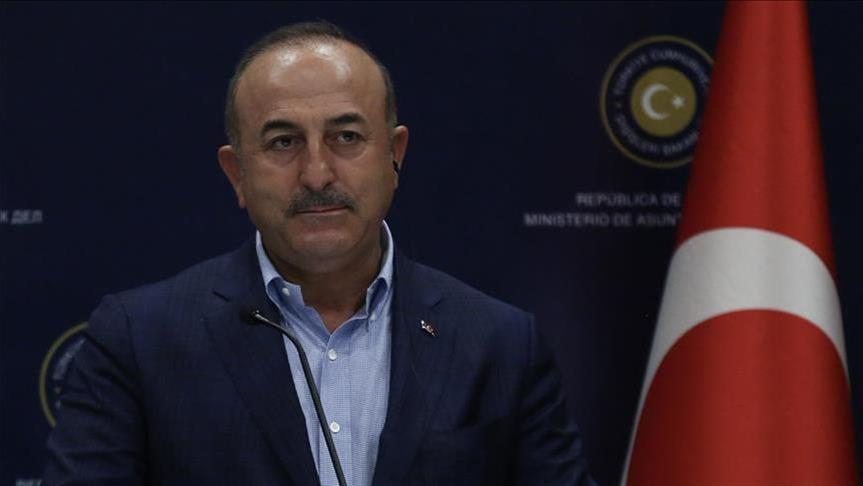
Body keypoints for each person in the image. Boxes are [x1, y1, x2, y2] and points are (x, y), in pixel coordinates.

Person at [43, 21, 594, 486]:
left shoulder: (500, 344)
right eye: (283, 142)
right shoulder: (139, 341)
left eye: (346, 137)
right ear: (237, 174)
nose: (316, 174)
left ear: (395, 155)